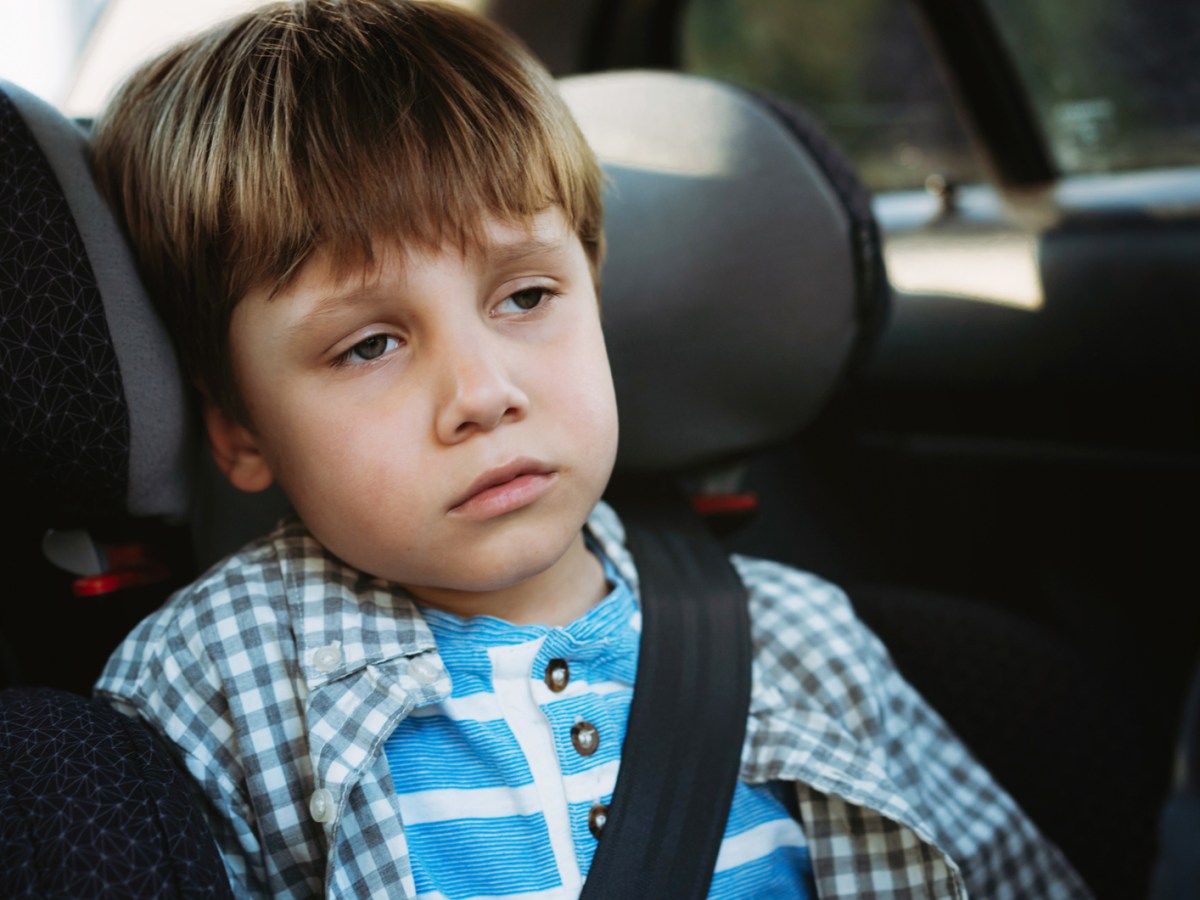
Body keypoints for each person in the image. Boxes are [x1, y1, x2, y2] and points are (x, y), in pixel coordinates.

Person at [91, 2, 1093, 897]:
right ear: (239, 428)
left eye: (526, 297)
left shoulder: (800, 640)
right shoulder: (216, 686)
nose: (484, 394)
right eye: (370, 345)